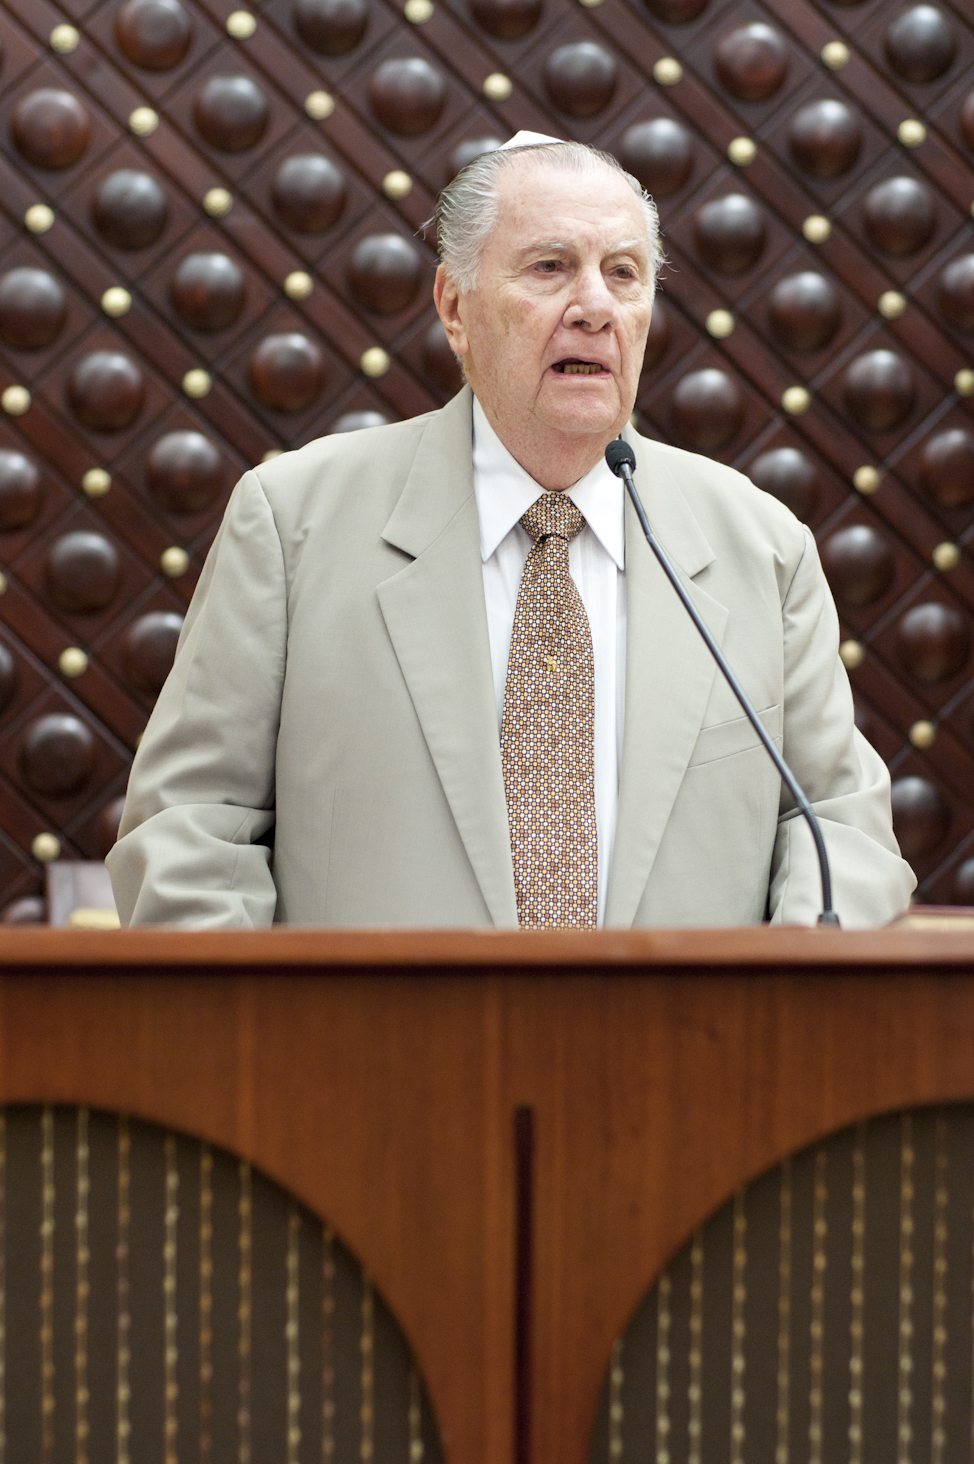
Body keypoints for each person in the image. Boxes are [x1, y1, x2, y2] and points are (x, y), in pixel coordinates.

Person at [107, 134, 915, 929]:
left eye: (623, 274)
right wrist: (261, 1017)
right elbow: (191, 830)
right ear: (455, 307)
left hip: (688, 1023)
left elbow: (839, 829)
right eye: (550, 267)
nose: (595, 307)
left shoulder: (762, 545)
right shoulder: (292, 524)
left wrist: (786, 988)